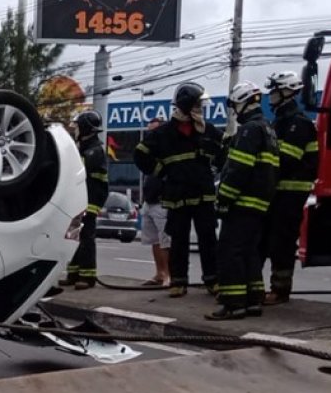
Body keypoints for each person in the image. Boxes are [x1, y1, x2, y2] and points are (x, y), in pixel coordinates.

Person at [134, 82, 223, 298]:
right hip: (177, 196)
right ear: (186, 105)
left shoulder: (208, 130)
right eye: (197, 104)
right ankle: (178, 282)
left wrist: (215, 168)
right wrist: (161, 172)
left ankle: (213, 280)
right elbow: (140, 155)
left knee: (208, 240)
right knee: (178, 241)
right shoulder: (163, 133)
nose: (201, 109)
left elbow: (225, 154)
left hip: (203, 195)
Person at [209, 81, 280, 320]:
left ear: (243, 102)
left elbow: (238, 169)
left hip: (242, 202)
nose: (234, 111)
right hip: (260, 204)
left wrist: (224, 198)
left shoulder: (249, 130)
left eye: (235, 106)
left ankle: (233, 304)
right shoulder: (268, 129)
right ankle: (253, 301)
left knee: (229, 252)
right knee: (250, 252)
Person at [262, 71, 319, 305]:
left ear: (286, 92)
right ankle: (272, 287)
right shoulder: (281, 121)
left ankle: (280, 290)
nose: (270, 96)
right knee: (272, 240)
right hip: (279, 192)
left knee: (283, 241)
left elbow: (285, 160)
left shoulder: (298, 124)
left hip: (291, 192)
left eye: (274, 91)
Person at [59, 110, 108, 290]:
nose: (76, 130)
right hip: (78, 201)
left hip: (89, 201)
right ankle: (73, 274)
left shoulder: (94, 150)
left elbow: (78, 170)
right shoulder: (83, 147)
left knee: (86, 238)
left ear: (86, 128)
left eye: (78, 126)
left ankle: (88, 277)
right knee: (74, 237)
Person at [138, 117, 171, 287]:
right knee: (154, 241)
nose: (150, 135)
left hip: (162, 202)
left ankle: (169, 276)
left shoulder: (167, 151)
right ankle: (160, 273)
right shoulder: (148, 155)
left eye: (153, 131)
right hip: (149, 202)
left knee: (166, 242)